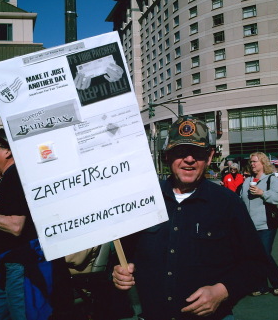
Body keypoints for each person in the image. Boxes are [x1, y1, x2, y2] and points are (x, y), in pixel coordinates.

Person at [112, 116, 268, 320]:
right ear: (167, 156)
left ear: (210, 156)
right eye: (180, 152)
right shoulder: (145, 201)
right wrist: (118, 273)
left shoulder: (227, 203)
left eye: (197, 153)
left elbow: (256, 264)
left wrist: (222, 291)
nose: (189, 159)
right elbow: (123, 255)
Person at [0, 128, 73, 319]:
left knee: (22, 315)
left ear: (8, 151)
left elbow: (15, 226)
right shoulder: (6, 177)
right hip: (6, 262)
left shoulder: (16, 177)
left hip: (19, 265)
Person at [239, 152, 278, 297]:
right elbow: (241, 199)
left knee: (264, 254)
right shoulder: (247, 181)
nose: (252, 164)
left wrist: (262, 193)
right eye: (251, 162)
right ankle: (261, 286)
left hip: (267, 224)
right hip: (250, 226)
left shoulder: (271, 179)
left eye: (255, 161)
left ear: (263, 163)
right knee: (254, 256)